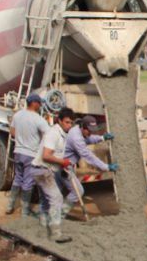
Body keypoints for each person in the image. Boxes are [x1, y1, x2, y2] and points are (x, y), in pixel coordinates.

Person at [58, 114, 118, 218]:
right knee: (78, 191)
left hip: (64, 165)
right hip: (62, 166)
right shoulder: (76, 138)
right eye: (89, 130)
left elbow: (88, 139)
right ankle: (59, 214)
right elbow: (88, 156)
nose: (90, 133)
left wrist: (102, 137)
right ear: (82, 127)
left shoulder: (78, 131)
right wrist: (106, 167)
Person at [29, 107, 73, 243]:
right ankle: (55, 233)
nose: (69, 125)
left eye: (71, 123)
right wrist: (63, 162)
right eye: (66, 122)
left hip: (44, 170)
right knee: (57, 198)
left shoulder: (62, 134)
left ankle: (43, 227)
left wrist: (62, 166)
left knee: (45, 201)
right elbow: (46, 155)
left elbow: (56, 155)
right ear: (59, 121)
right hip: (42, 170)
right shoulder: (53, 133)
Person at [7, 94, 49, 217]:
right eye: (39, 103)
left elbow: (12, 132)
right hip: (30, 154)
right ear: (34, 103)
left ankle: (10, 206)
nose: (40, 105)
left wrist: (22, 139)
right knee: (28, 182)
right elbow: (49, 135)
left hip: (18, 152)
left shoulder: (18, 115)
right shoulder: (38, 119)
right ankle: (25, 212)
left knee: (17, 178)